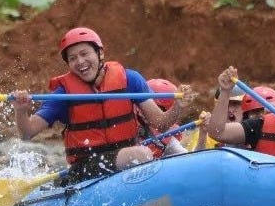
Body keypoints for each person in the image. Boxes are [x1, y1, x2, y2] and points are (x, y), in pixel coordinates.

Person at [11, 27, 195, 185]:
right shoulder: (63, 94)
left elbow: (161, 123)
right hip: (86, 167)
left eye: (84, 53)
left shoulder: (130, 79)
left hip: (125, 158)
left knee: (140, 154)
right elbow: (27, 133)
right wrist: (21, 110)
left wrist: (178, 106)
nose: (80, 61)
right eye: (73, 58)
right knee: (141, 154)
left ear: (100, 54)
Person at [138, 78, 189, 158]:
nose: (146, 112)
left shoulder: (167, 138)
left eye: (158, 109)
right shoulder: (128, 118)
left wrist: (202, 135)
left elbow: (188, 159)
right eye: (143, 106)